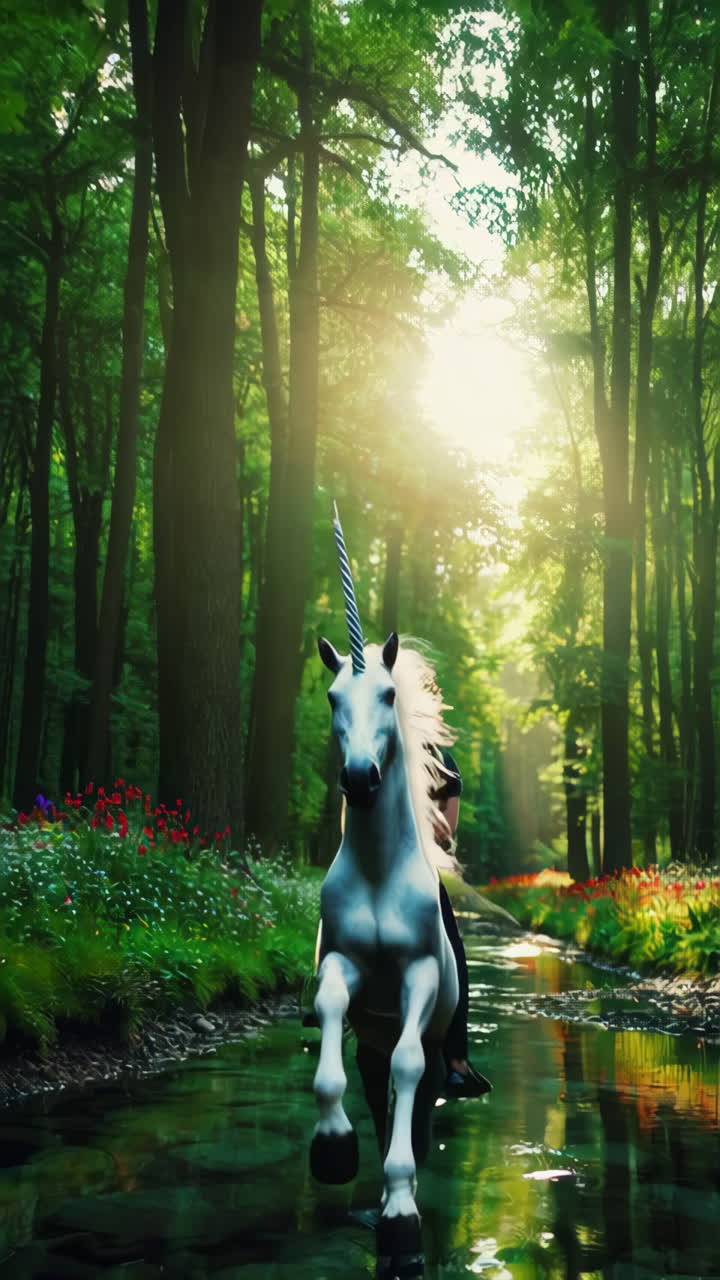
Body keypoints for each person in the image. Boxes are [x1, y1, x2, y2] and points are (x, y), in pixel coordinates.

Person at [432, 748, 492, 1099]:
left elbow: (446, 831)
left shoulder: (443, 761)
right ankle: (318, 996)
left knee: (452, 949)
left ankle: (455, 1059)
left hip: (418, 860)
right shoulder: (375, 747)